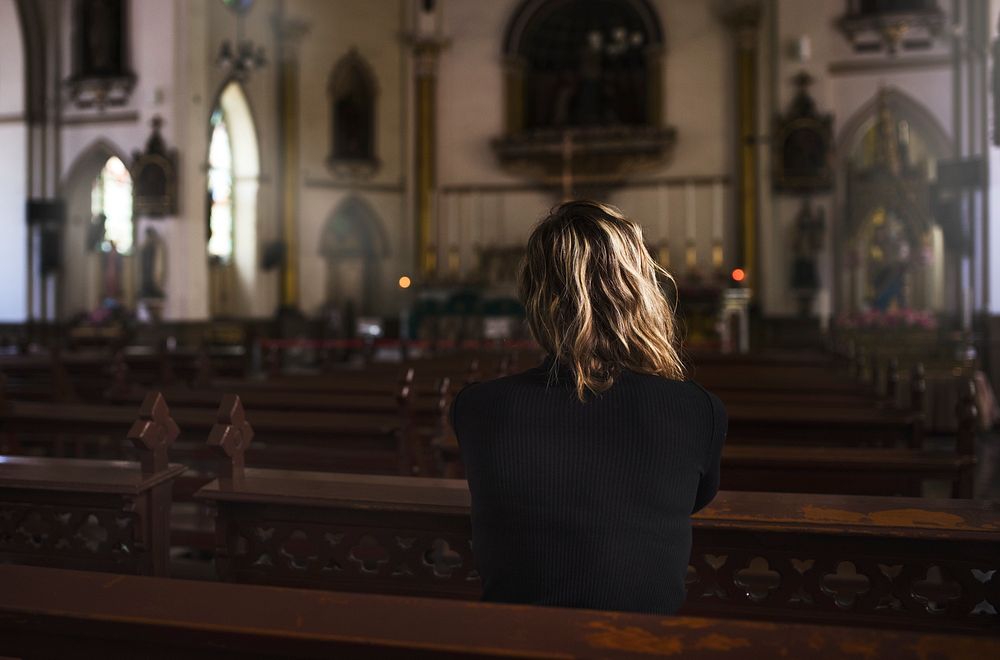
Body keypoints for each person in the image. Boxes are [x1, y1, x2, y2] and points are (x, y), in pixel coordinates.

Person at [450, 200, 727, 615]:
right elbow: (688, 499)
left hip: (514, 643)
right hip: (642, 645)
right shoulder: (696, 410)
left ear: (536, 297)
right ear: (641, 293)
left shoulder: (477, 408)